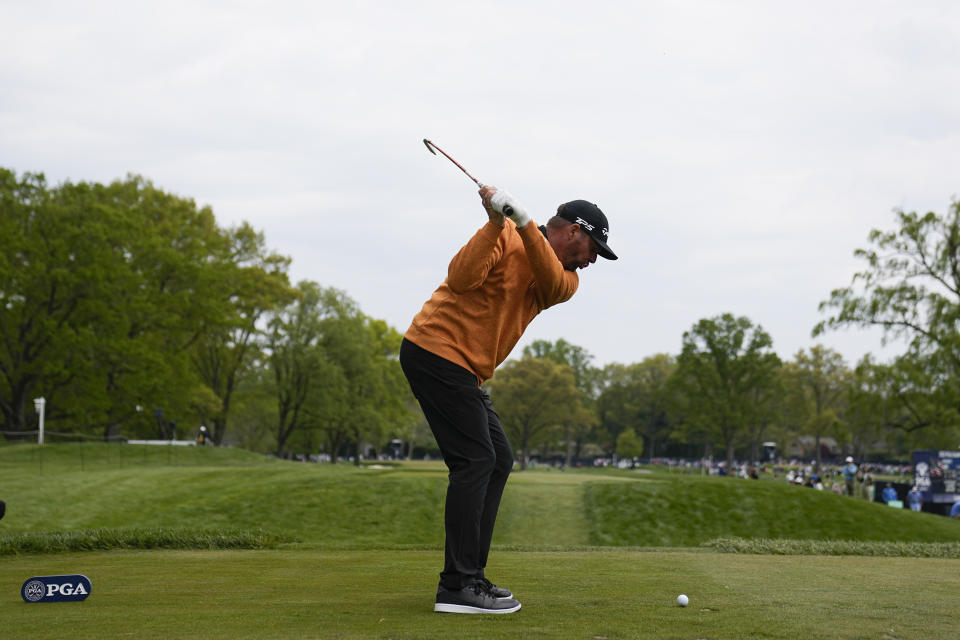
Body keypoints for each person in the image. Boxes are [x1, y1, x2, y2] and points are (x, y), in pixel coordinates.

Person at [399, 185, 617, 614]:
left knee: (498, 458)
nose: (593, 261)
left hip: (468, 371)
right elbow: (461, 279)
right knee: (476, 460)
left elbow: (549, 276)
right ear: (574, 232)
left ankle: (471, 578)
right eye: (595, 249)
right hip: (435, 349)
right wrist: (497, 221)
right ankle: (457, 586)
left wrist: (523, 221)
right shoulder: (503, 235)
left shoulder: (565, 280)